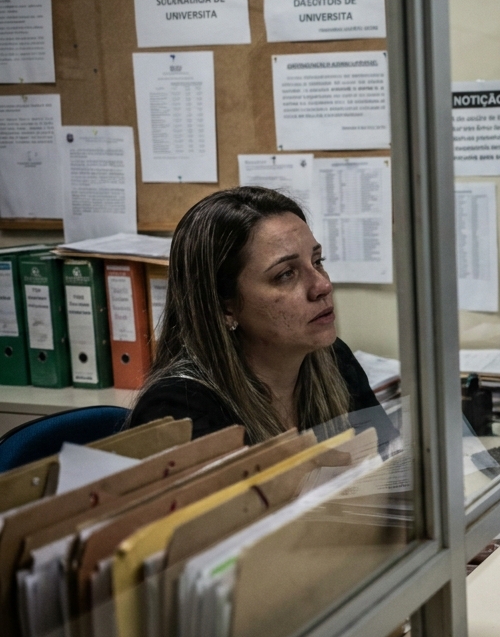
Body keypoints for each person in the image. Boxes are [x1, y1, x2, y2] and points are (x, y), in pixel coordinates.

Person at [128, 187, 396, 449]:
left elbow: (392, 470)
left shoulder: (334, 360)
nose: (322, 286)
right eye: (285, 274)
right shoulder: (178, 410)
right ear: (224, 307)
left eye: (317, 261)